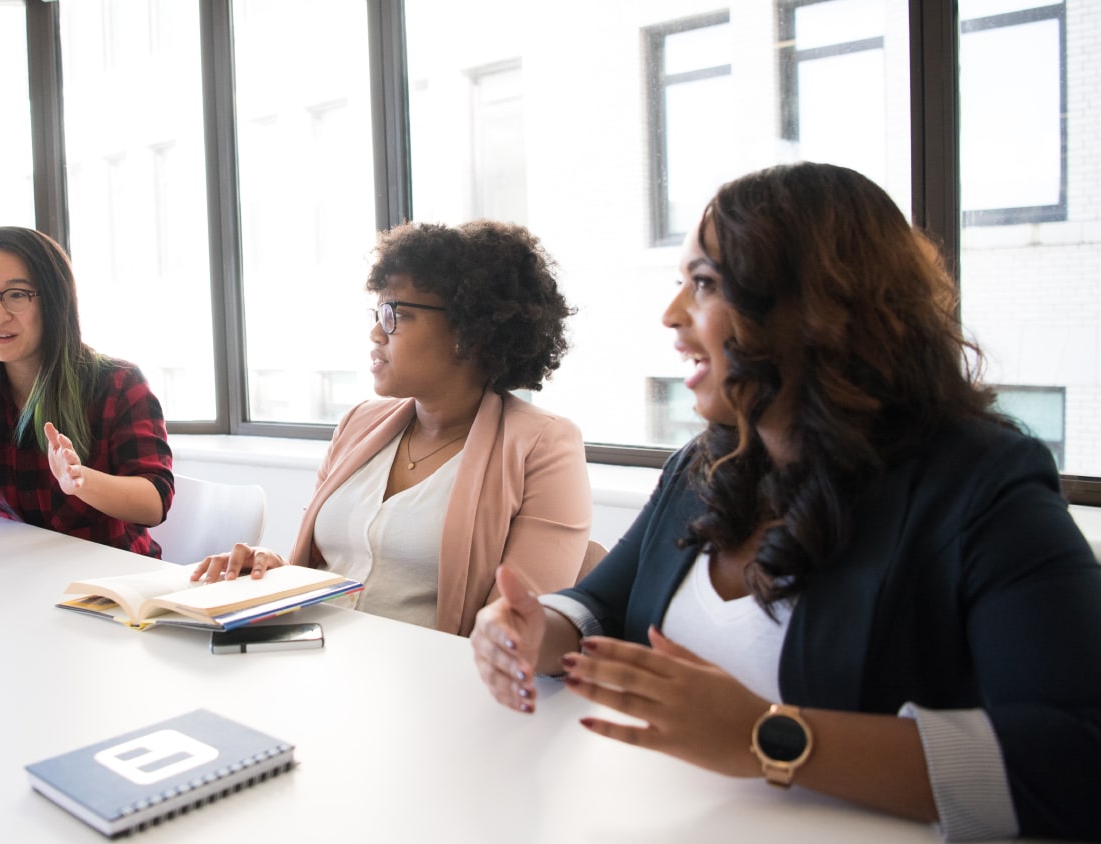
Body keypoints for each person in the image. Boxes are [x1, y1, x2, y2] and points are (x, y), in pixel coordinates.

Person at [470, 162, 1101, 841]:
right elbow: (606, 604)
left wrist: (765, 738)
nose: (672, 315)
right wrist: (533, 632)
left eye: (705, 284)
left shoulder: (983, 483)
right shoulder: (708, 462)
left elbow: (1076, 757)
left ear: (817, 307)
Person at [192, 220, 592, 636]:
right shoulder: (357, 424)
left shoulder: (543, 445)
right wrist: (272, 571)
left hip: (428, 686)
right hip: (307, 659)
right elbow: (325, 568)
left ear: (470, 332)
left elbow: (516, 631)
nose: (375, 333)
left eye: (394, 314)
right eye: (377, 312)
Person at [0, 226, 173, 556]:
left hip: (109, 584)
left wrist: (81, 480)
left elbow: (154, 502)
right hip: (13, 577)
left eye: (17, 295)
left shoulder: (118, 383)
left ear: (54, 302)